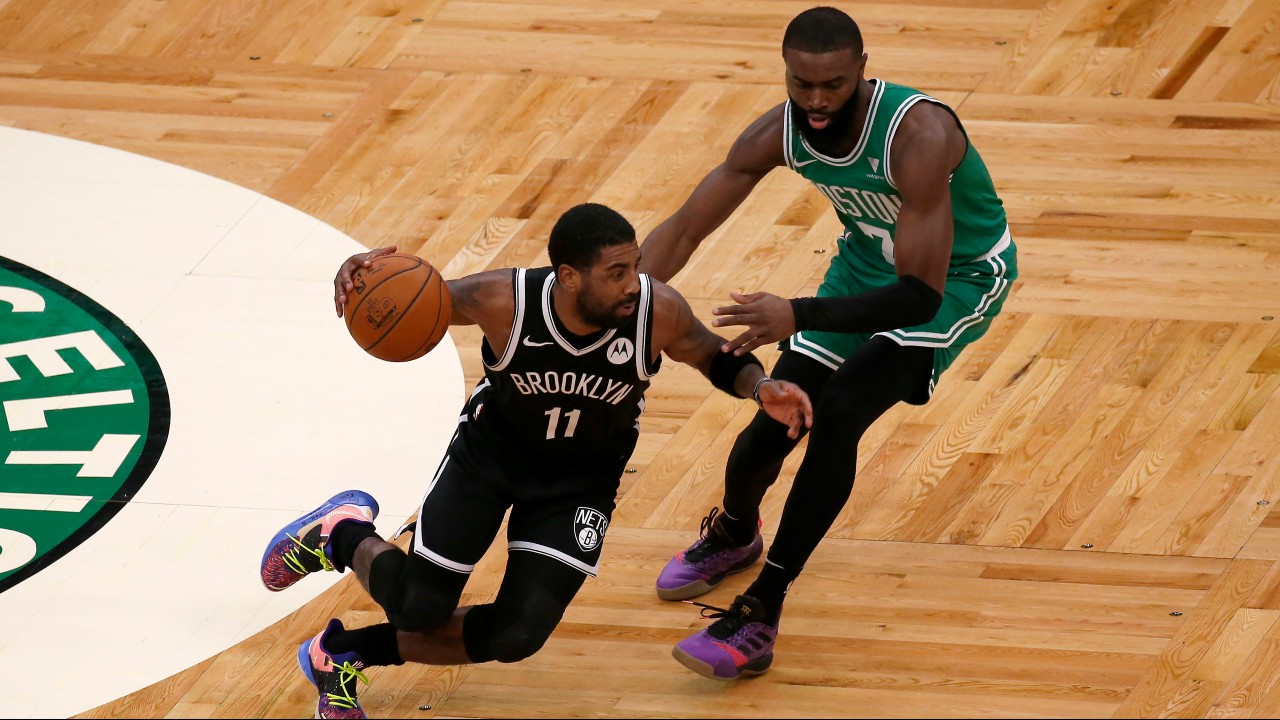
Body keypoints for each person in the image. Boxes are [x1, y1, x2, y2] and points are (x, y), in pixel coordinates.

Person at [259, 203, 813, 718]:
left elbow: (710, 353)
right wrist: (359, 277)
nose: (632, 285)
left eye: (635, 267)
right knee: (418, 608)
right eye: (615, 273)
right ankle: (342, 536)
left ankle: (344, 652)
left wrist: (759, 385)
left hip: (579, 484)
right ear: (568, 276)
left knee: (517, 634)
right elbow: (410, 296)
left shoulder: (656, 311)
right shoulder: (504, 299)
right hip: (488, 461)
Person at [640, 6, 1018, 680]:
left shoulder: (920, 134)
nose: (815, 102)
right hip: (863, 269)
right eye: (801, 84)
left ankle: (763, 608)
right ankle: (734, 531)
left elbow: (918, 296)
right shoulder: (779, 130)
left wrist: (798, 312)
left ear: (863, 73)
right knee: (777, 415)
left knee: (839, 410)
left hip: (953, 281)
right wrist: (617, 304)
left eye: (833, 86)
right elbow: (688, 226)